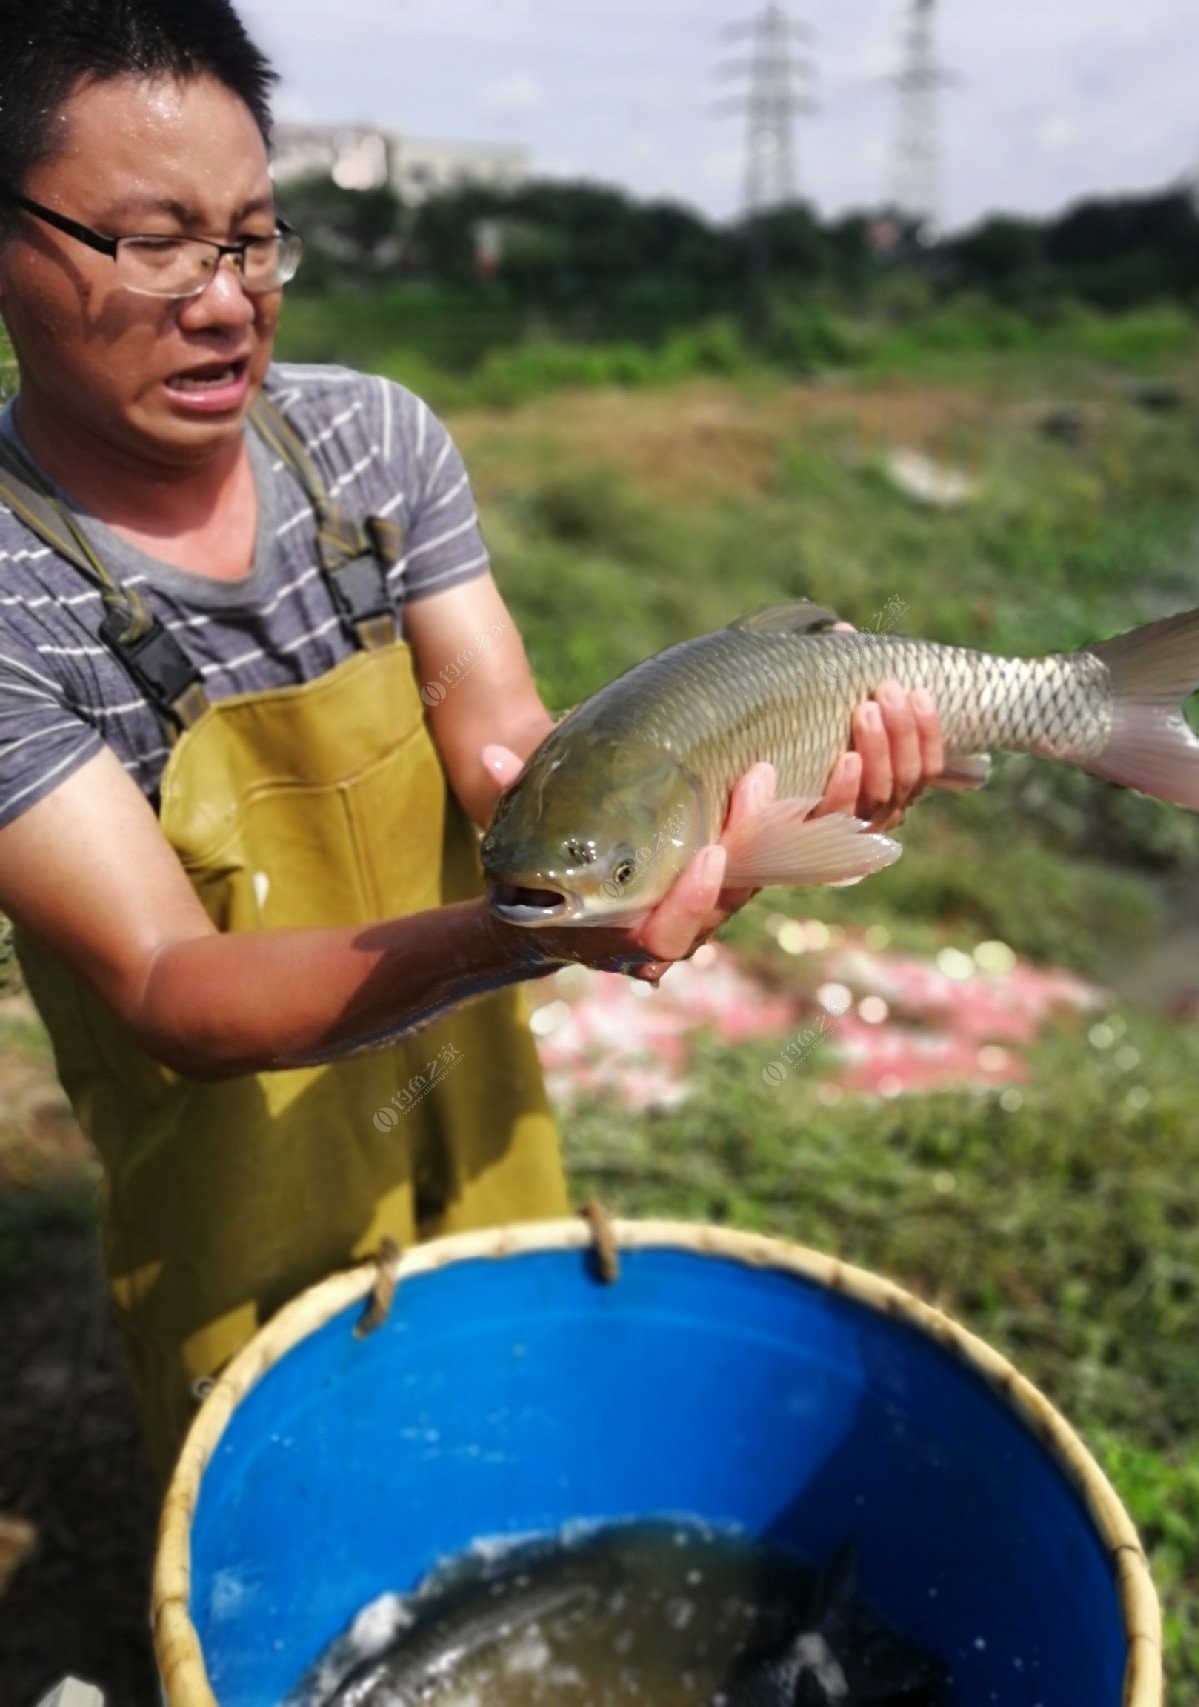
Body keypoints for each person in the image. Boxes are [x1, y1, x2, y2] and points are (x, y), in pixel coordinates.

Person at [0, 0, 953, 1478]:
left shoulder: (376, 449)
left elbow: (510, 752)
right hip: (226, 1171)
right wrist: (517, 940)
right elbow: (166, 985)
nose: (226, 300)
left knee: (511, 1426)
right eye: (153, 242)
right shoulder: (15, 594)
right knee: (285, 1480)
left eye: (253, 239)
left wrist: (716, 806)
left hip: (471, 1083)